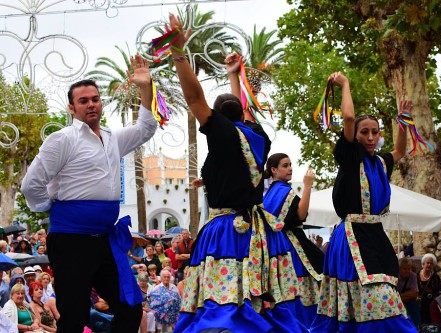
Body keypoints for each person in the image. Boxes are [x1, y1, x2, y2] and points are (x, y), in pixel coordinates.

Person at [168, 14, 306, 333]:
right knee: (253, 298)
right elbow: (245, 111)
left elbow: (193, 98)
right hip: (258, 232)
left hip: (225, 229)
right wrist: (234, 75)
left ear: (216, 117)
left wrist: (177, 52)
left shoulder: (221, 132)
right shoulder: (258, 136)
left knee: (221, 304)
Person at [21, 54, 157, 333]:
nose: (91, 104)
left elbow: (146, 128)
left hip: (105, 240)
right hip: (71, 240)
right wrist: (51, 207)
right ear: (72, 108)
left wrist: (145, 88)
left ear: (101, 103)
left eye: (95, 98)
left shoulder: (112, 138)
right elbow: (30, 184)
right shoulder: (62, 139)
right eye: (83, 101)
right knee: (74, 316)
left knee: (130, 309)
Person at [309, 71, 416, 332]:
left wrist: (402, 122)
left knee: (383, 295)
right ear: (354, 136)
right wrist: (345, 84)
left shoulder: (380, 162)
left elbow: (400, 150)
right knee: (363, 299)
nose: (370, 137)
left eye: (374, 132)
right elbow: (347, 117)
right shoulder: (350, 157)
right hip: (352, 238)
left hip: (376, 235)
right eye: (364, 132)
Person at [262, 153, 324, 328]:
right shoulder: (283, 191)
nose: (290, 168)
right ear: (273, 170)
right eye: (285, 165)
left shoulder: (269, 194)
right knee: (304, 292)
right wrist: (307, 186)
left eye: (290, 165)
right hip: (292, 248)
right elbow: (301, 215)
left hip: (276, 249)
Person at [417, 253, 441, 324]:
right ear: (423, 264)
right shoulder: (416, 276)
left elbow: (438, 292)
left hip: (431, 306)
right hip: (419, 306)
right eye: (427, 263)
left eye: (431, 263)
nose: (429, 265)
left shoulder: (436, 277)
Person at [397, 258, 421, 327]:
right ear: (399, 269)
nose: (407, 271)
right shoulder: (395, 276)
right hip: (396, 302)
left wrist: (400, 295)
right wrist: (409, 294)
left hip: (407, 300)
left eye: (408, 269)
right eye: (404, 269)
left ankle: (417, 326)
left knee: (413, 303)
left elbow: (416, 293)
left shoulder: (413, 276)